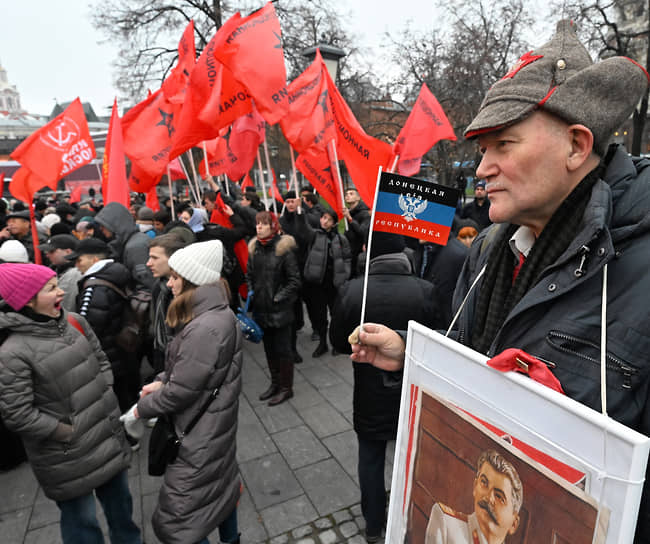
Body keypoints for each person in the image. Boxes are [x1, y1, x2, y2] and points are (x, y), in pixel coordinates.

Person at [350, 20, 650, 541]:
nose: (482, 168)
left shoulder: (640, 265)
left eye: (503, 144)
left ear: (576, 145)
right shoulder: (488, 248)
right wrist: (412, 359)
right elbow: (467, 359)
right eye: (482, 147)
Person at [0, 263, 141, 544]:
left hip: (105, 436)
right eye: (51, 288)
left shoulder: (75, 321)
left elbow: (101, 358)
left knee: (122, 509)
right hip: (65, 455)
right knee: (82, 522)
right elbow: (18, 414)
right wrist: (65, 431)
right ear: (26, 300)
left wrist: (105, 392)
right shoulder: (12, 354)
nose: (61, 292)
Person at [330, 232, 440, 542]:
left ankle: (374, 524)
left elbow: (337, 341)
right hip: (414, 391)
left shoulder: (352, 291)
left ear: (368, 253)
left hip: (368, 392)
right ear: (402, 253)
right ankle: (413, 518)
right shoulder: (426, 290)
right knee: (417, 456)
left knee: (371, 457)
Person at [134, 240, 242, 544]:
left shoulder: (204, 326)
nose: (169, 283)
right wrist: (164, 378)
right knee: (218, 489)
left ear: (192, 280)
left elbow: (182, 391)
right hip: (212, 426)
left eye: (175, 277)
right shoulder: (213, 314)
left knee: (182, 520)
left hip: (199, 434)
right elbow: (194, 371)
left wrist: (142, 409)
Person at [70, 238, 141, 424]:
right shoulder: (116, 273)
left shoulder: (94, 287)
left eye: (80, 260)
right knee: (125, 391)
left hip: (108, 351)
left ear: (94, 260)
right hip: (121, 345)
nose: (77, 266)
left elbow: (88, 326)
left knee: (117, 395)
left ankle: (129, 434)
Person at [247, 211, 301, 405]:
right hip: (261, 310)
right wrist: (252, 293)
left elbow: (294, 281)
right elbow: (250, 275)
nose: (258, 227)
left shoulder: (283, 249)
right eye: (257, 224)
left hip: (280, 311)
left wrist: (278, 298)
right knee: (269, 350)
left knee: (284, 350)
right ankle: (275, 384)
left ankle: (287, 388)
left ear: (273, 226)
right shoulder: (255, 249)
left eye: (263, 224)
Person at [425, 450, 522, 544]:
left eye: (498, 496)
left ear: (513, 523)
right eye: (484, 483)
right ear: (475, 486)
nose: (488, 497)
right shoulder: (446, 523)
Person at [298, 207, 351, 357]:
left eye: (328, 219)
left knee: (336, 314)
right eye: (323, 218)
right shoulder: (315, 235)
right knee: (319, 315)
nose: (324, 221)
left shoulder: (341, 239)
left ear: (334, 222)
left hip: (334, 284)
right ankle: (322, 343)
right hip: (317, 283)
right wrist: (300, 212)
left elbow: (347, 258)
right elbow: (303, 229)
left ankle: (336, 343)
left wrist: (344, 275)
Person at [146, 233, 187, 375]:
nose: (148, 263)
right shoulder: (160, 286)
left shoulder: (185, 293)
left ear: (173, 259)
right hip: (163, 357)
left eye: (155, 258)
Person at [94, 202, 154, 290]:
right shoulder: (130, 241)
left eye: (103, 225)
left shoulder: (136, 247)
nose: (101, 228)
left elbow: (147, 284)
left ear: (115, 224)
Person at [37, 233, 81, 311]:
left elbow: (66, 307)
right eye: (46, 252)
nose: (47, 255)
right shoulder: (54, 269)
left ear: (68, 252)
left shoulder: (75, 274)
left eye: (51, 251)